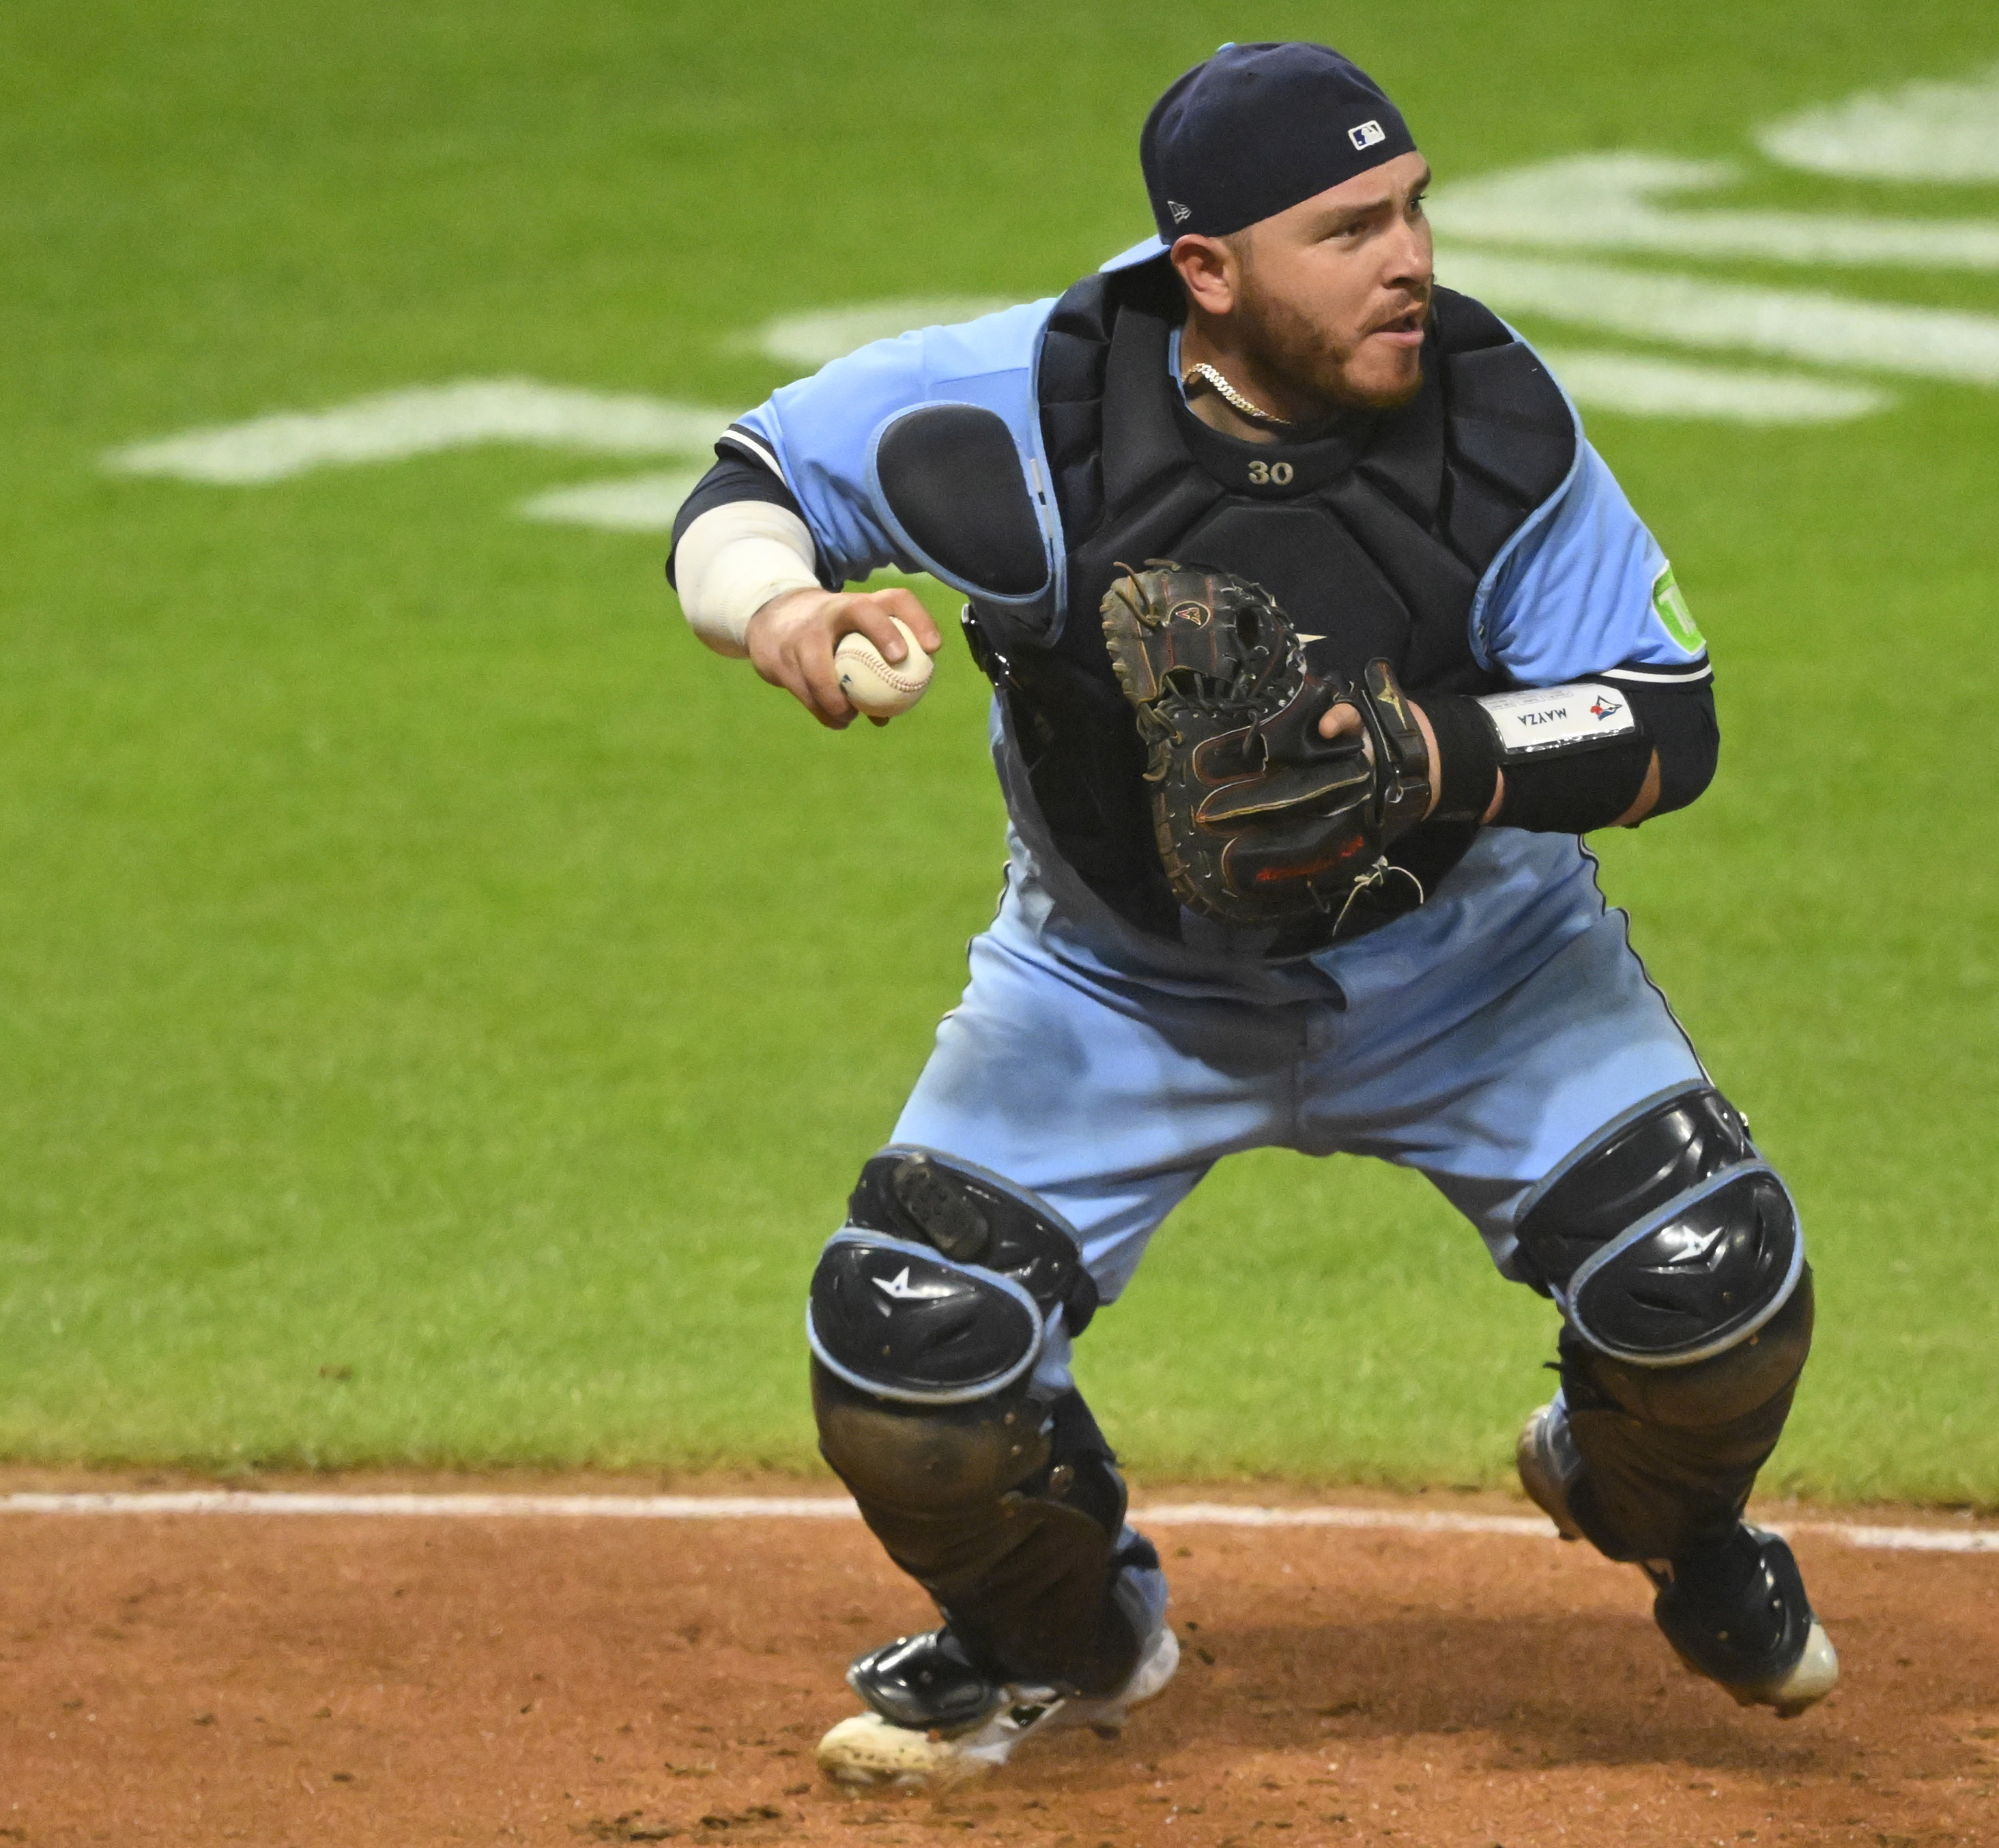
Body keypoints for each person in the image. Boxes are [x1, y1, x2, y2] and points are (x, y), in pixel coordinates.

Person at [663, 41, 1834, 1792]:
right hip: (1110, 991)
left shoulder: (1499, 427)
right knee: (907, 1360)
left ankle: (1667, 1514)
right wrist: (782, 618)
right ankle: (1070, 1639)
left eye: (1417, 205)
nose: (1413, 256)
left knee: (1707, 1288)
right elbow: (744, 484)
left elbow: (1668, 719)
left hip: (1476, 968)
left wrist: (1435, 755)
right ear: (1205, 272)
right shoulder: (1024, 414)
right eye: (1350, 225)